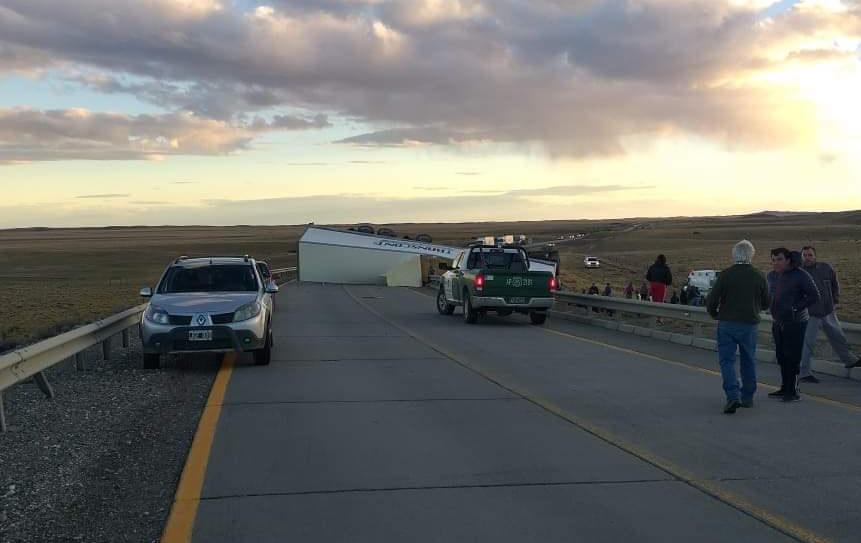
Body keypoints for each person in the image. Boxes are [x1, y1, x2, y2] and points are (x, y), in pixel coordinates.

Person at [706, 240, 770, 414]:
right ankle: (747, 397)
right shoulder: (759, 275)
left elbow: (712, 299)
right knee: (748, 360)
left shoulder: (726, 275)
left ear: (734, 255)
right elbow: (766, 302)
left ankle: (732, 396)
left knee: (727, 361)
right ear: (751, 254)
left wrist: (714, 314)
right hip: (749, 324)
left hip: (727, 323)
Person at [799, 246, 861, 382]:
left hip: (828, 311)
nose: (807, 258)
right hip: (811, 314)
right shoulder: (799, 273)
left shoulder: (826, 268)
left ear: (815, 256)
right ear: (801, 257)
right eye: (805, 255)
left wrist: (835, 300)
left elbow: (835, 284)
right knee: (808, 344)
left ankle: (850, 360)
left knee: (838, 337)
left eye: (810, 255)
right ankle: (804, 373)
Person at [767, 248, 820, 402]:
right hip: (778, 321)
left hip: (796, 322)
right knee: (781, 356)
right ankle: (785, 387)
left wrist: (796, 308)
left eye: (779, 259)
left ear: (788, 260)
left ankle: (793, 390)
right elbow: (770, 295)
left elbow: (814, 295)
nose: (776, 263)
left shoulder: (800, 275)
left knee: (793, 357)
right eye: (773, 259)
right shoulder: (772, 276)